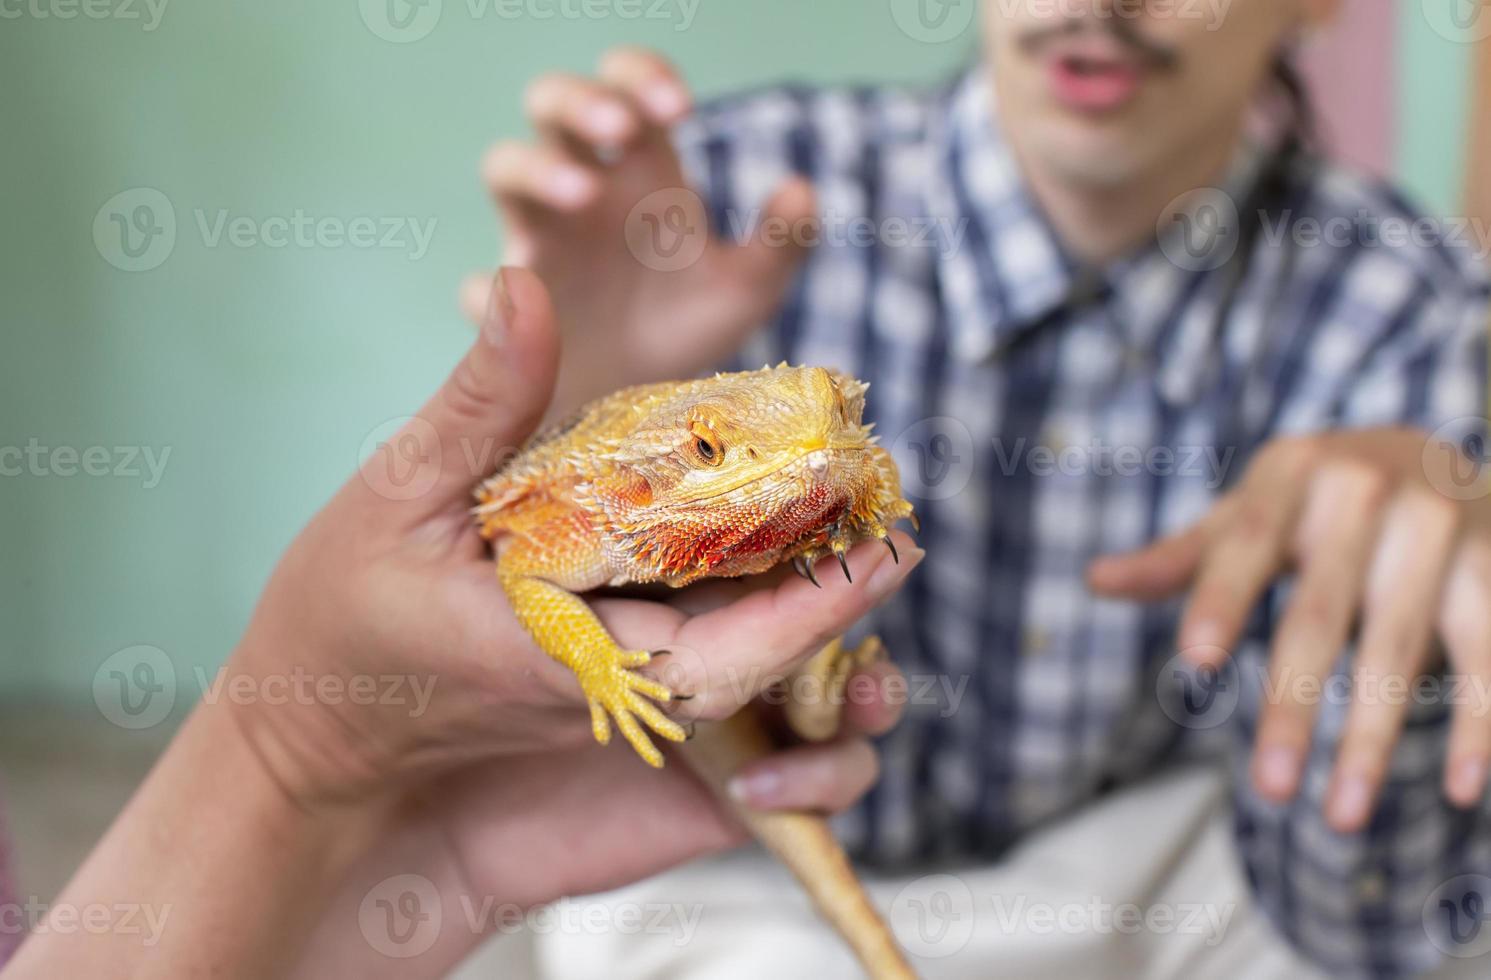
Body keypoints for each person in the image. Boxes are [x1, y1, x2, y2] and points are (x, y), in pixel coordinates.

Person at [464, 2, 1491, 977]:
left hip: (1174, 901)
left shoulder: (1410, 307)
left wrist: (1414, 618)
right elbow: (489, 682)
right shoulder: (715, 195)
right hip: (737, 876)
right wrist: (569, 407)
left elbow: (1372, 920)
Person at [0, 266, 922, 977]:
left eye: (836, 411)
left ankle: (818, 682)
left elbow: (819, 465)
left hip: (679, 707)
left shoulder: (777, 472)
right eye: (715, 452)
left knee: (812, 698)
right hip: (613, 683)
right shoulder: (596, 516)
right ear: (658, 468)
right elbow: (528, 575)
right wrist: (600, 669)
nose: (812, 453)